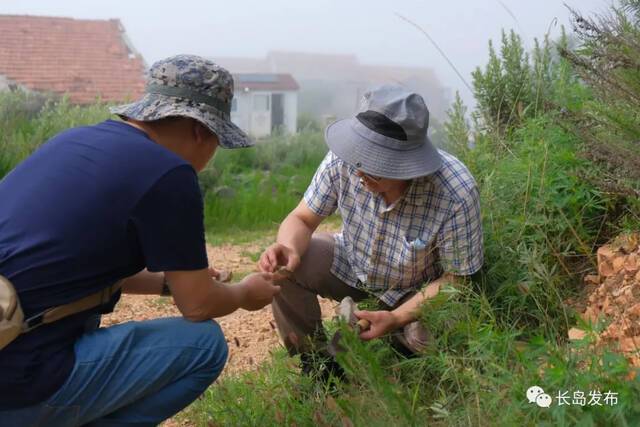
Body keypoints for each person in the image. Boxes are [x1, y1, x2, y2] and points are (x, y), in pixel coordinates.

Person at [0, 54, 280, 426]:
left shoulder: (73, 141)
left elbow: (68, 264)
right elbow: (197, 307)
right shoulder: (170, 174)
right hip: (21, 383)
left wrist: (167, 285)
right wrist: (246, 294)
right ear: (201, 131)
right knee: (204, 345)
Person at [259, 85, 483, 377]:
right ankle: (319, 367)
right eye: (360, 158)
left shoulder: (455, 191)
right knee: (286, 269)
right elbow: (301, 219)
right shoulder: (344, 160)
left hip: (414, 289)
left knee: (428, 335)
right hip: (353, 264)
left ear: (409, 165)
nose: (361, 171)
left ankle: (396, 348)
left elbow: (458, 278)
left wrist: (397, 317)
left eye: (377, 165)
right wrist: (288, 248)